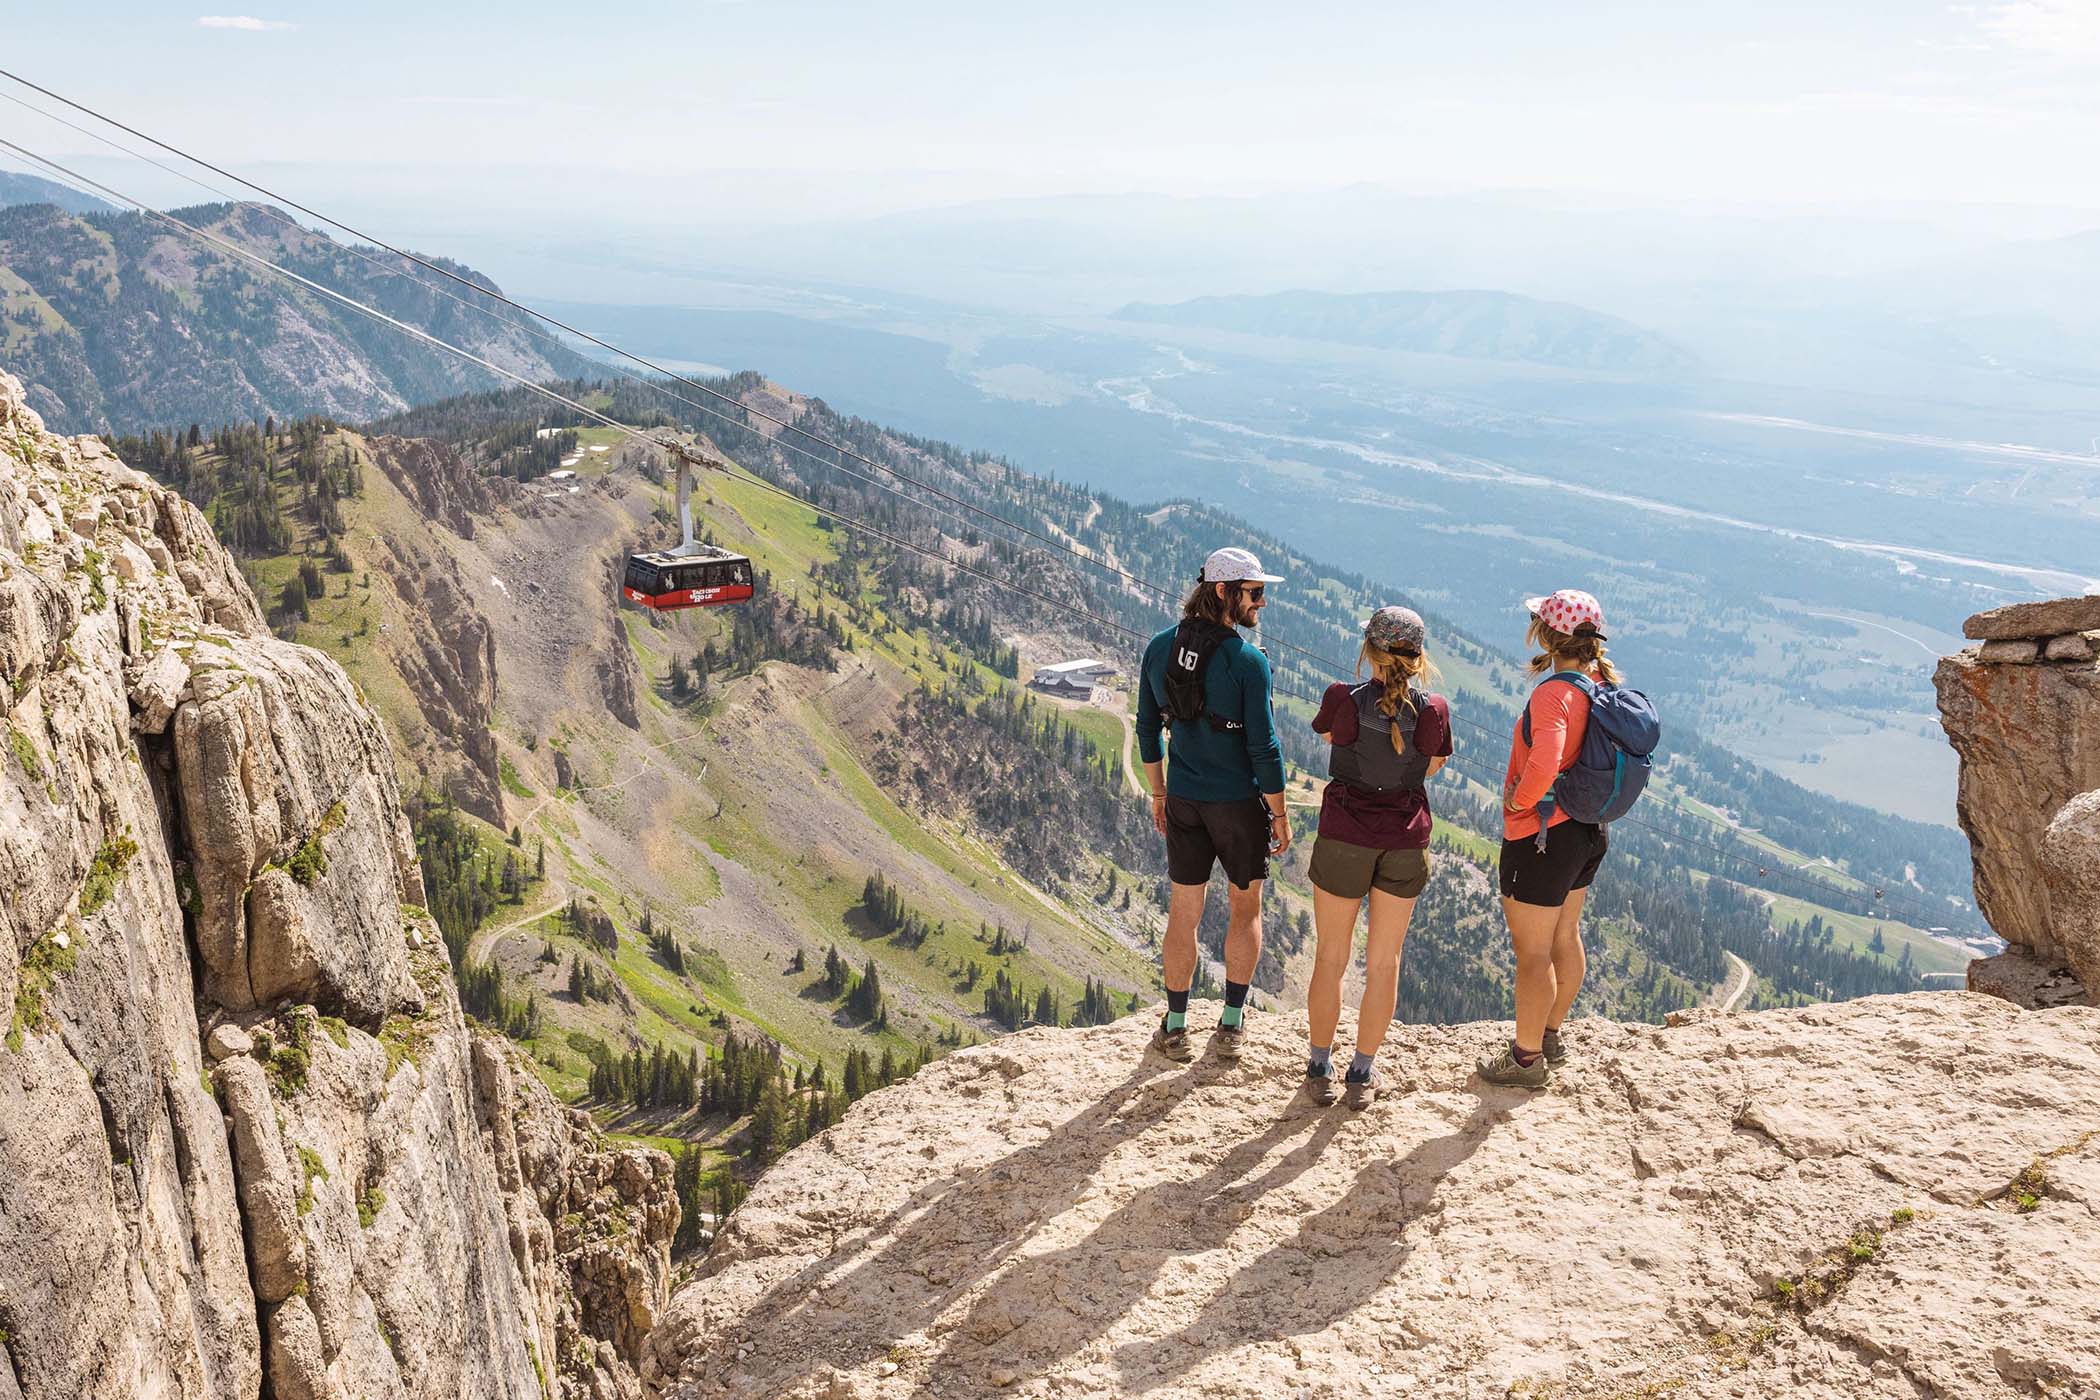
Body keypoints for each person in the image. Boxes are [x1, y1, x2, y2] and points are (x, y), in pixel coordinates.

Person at [1134, 546, 1290, 1063]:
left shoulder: (1159, 648)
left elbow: (1147, 729)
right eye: (1255, 593)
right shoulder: (1248, 662)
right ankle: (1230, 1025)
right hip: (1238, 807)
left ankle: (1175, 1026)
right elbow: (1263, 748)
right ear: (1223, 592)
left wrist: (1158, 791)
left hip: (1183, 800)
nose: (1261, 603)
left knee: (1185, 912)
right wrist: (1281, 814)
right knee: (1245, 910)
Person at [1300, 607, 1451, 1108]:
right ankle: (1361, 1073)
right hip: (1404, 840)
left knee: (1331, 957)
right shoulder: (1433, 710)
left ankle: (1319, 1066)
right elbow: (1432, 768)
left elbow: (1329, 737)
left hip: (1345, 833)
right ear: (1418, 655)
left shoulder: (1342, 699)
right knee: (1384, 962)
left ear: (1370, 650)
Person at [1478, 589, 1623, 1089]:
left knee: (1533, 954)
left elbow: (1545, 759)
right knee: (1566, 935)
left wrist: (1520, 801)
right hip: (1588, 830)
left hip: (1543, 836)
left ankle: (1525, 1060)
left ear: (1548, 632)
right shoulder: (1600, 684)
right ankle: (1550, 1034)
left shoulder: (1552, 693)